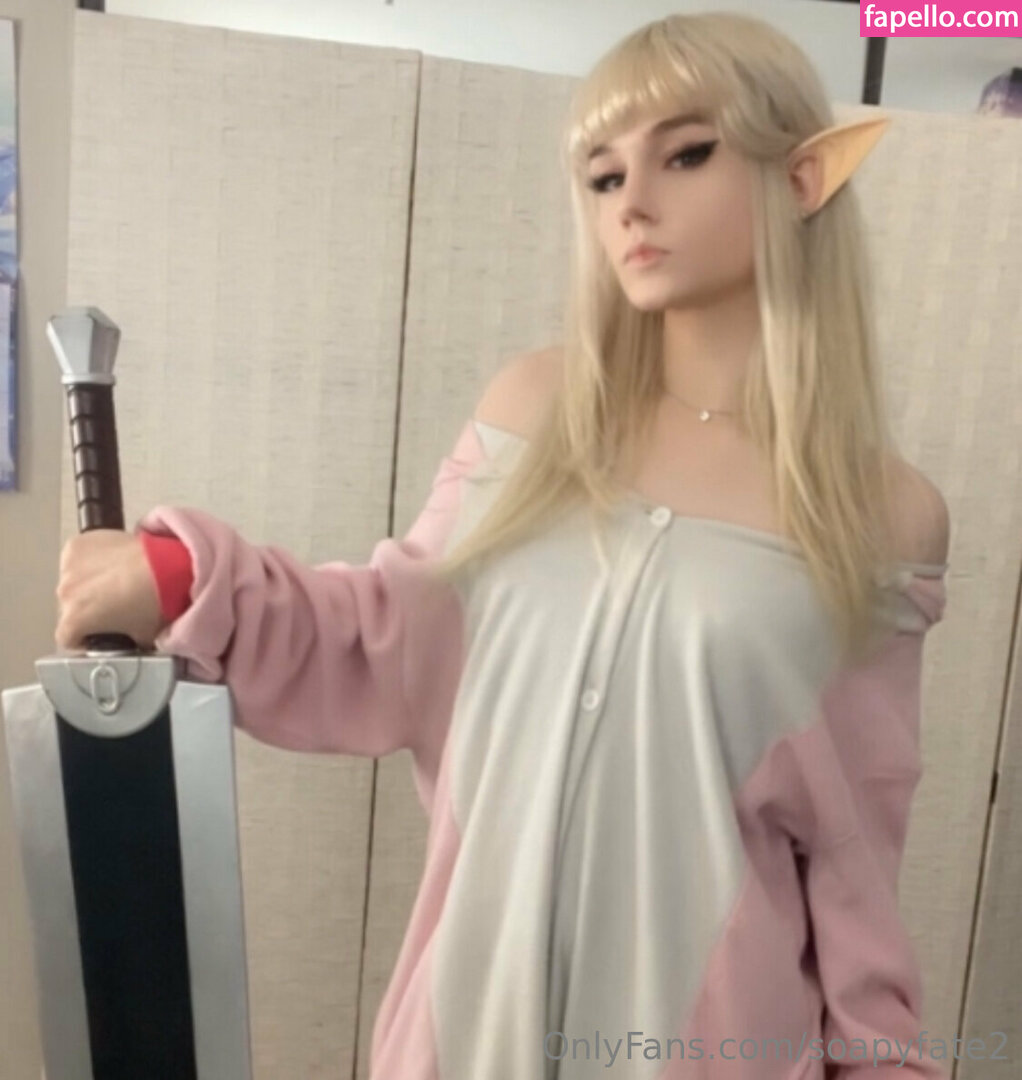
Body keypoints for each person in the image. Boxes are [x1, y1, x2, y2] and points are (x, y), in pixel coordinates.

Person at [54, 12, 952, 1080]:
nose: (633, 203)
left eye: (685, 153)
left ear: (801, 179)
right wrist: (185, 578)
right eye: (603, 175)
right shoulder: (534, 418)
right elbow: (381, 640)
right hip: (468, 1040)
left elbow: (851, 866)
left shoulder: (879, 517)